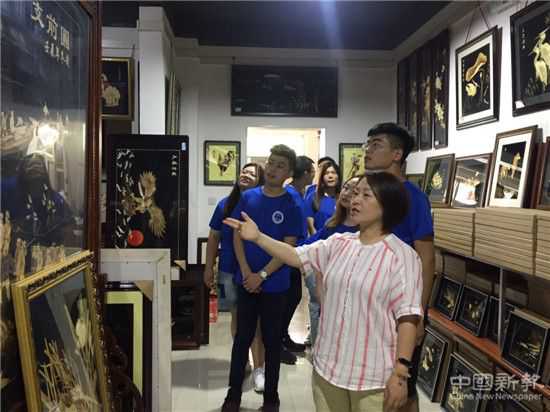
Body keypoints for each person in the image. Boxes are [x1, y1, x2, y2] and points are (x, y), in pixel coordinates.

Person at [225, 172, 423, 412]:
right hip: (328, 369)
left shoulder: (402, 256)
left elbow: (408, 318)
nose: (355, 200)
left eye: (366, 195)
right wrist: (258, 238)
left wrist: (401, 372)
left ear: (387, 205)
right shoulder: (340, 242)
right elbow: (295, 255)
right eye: (355, 193)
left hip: (372, 378)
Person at [221, 145, 303, 412]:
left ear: (289, 173)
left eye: (280, 165)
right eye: (271, 163)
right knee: (242, 339)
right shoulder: (248, 198)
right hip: (246, 282)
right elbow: (237, 234)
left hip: (275, 285)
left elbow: (289, 247)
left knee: (271, 341)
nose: (273, 169)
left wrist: (263, 275)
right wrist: (247, 272)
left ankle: (271, 399)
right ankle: (233, 396)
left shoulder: (292, 204)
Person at [363, 122, 435, 412]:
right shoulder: (368, 192)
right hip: (371, 304)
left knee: (402, 386)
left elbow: (426, 258)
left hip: (401, 305)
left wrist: (419, 314)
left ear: (397, 154)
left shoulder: (414, 198)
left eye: (376, 144)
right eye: (367, 144)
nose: (367, 150)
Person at [203, 163, 266, 392]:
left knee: (256, 322)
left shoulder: (261, 205)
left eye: (252, 173)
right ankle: (244, 360)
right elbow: (213, 237)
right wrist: (208, 268)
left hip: (254, 271)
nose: (245, 175)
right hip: (228, 269)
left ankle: (259, 369)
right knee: (237, 318)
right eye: (244, 171)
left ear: (259, 180)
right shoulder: (225, 204)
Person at [301, 175, 359, 347]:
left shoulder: (366, 230)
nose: (347, 193)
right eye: (346, 188)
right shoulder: (332, 224)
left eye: (355, 191)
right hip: (328, 288)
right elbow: (307, 247)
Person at [281, 155, 315, 365]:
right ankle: (277, 343)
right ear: (305, 173)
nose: (314, 175)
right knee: (288, 298)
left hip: (299, 252)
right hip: (289, 254)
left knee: (294, 297)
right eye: (312, 171)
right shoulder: (290, 195)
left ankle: (284, 337)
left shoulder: (302, 194)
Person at [304, 161, 341, 235]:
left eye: (333, 173)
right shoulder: (313, 197)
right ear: (322, 177)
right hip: (320, 240)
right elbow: (311, 228)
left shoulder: (343, 198)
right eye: (326, 173)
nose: (330, 176)